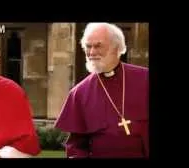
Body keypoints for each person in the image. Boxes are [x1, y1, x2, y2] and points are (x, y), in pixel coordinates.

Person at [54, 23, 148, 158]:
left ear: (116, 48)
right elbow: (76, 146)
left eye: (98, 46)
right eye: (88, 46)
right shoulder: (79, 93)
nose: (91, 52)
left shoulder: (145, 79)